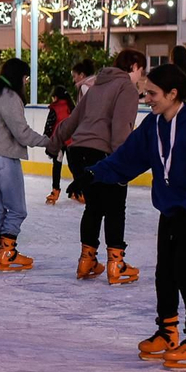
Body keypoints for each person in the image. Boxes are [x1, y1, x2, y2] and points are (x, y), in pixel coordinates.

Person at [89, 65, 186, 369]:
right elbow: (127, 158)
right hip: (172, 210)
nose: (145, 98)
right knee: (165, 272)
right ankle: (167, 332)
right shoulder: (152, 126)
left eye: (152, 93)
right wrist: (94, 174)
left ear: (172, 94)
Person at [51, 49, 147, 284]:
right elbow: (121, 127)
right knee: (115, 208)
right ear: (134, 66)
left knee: (93, 208)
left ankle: (87, 261)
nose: (141, 77)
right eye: (141, 71)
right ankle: (116, 265)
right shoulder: (126, 88)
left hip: (78, 152)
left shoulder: (95, 86)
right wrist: (120, 161)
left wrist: (55, 145)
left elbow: (72, 121)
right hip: (104, 153)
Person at [0, 58, 54, 272]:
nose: (26, 82)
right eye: (26, 78)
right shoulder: (9, 98)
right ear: (19, 77)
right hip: (1, 157)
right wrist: (49, 142)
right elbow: (23, 134)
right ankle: (8, 253)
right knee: (17, 209)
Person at [42, 85, 74, 206]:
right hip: (72, 142)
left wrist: (46, 139)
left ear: (56, 97)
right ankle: (79, 191)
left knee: (57, 166)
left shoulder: (55, 109)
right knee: (74, 166)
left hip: (59, 143)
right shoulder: (71, 107)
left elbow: (49, 126)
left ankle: (55, 191)